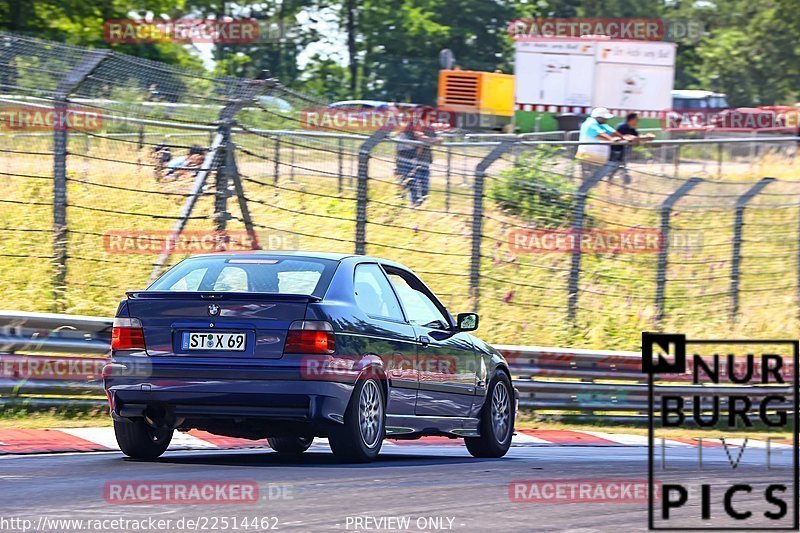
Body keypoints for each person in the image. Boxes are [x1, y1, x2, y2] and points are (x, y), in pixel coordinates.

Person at [575, 107, 630, 183]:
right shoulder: (591, 124)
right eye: (605, 118)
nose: (607, 120)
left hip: (597, 157)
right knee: (589, 179)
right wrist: (611, 139)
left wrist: (624, 138)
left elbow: (613, 132)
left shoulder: (601, 124)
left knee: (595, 180)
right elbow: (601, 135)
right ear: (599, 117)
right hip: (588, 156)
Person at [608, 112, 656, 184]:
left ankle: (618, 185)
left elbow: (637, 138)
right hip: (617, 152)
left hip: (624, 153)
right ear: (632, 119)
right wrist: (646, 137)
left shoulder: (632, 128)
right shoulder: (622, 127)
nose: (638, 121)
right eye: (637, 119)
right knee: (613, 169)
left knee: (619, 169)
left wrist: (646, 137)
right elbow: (630, 138)